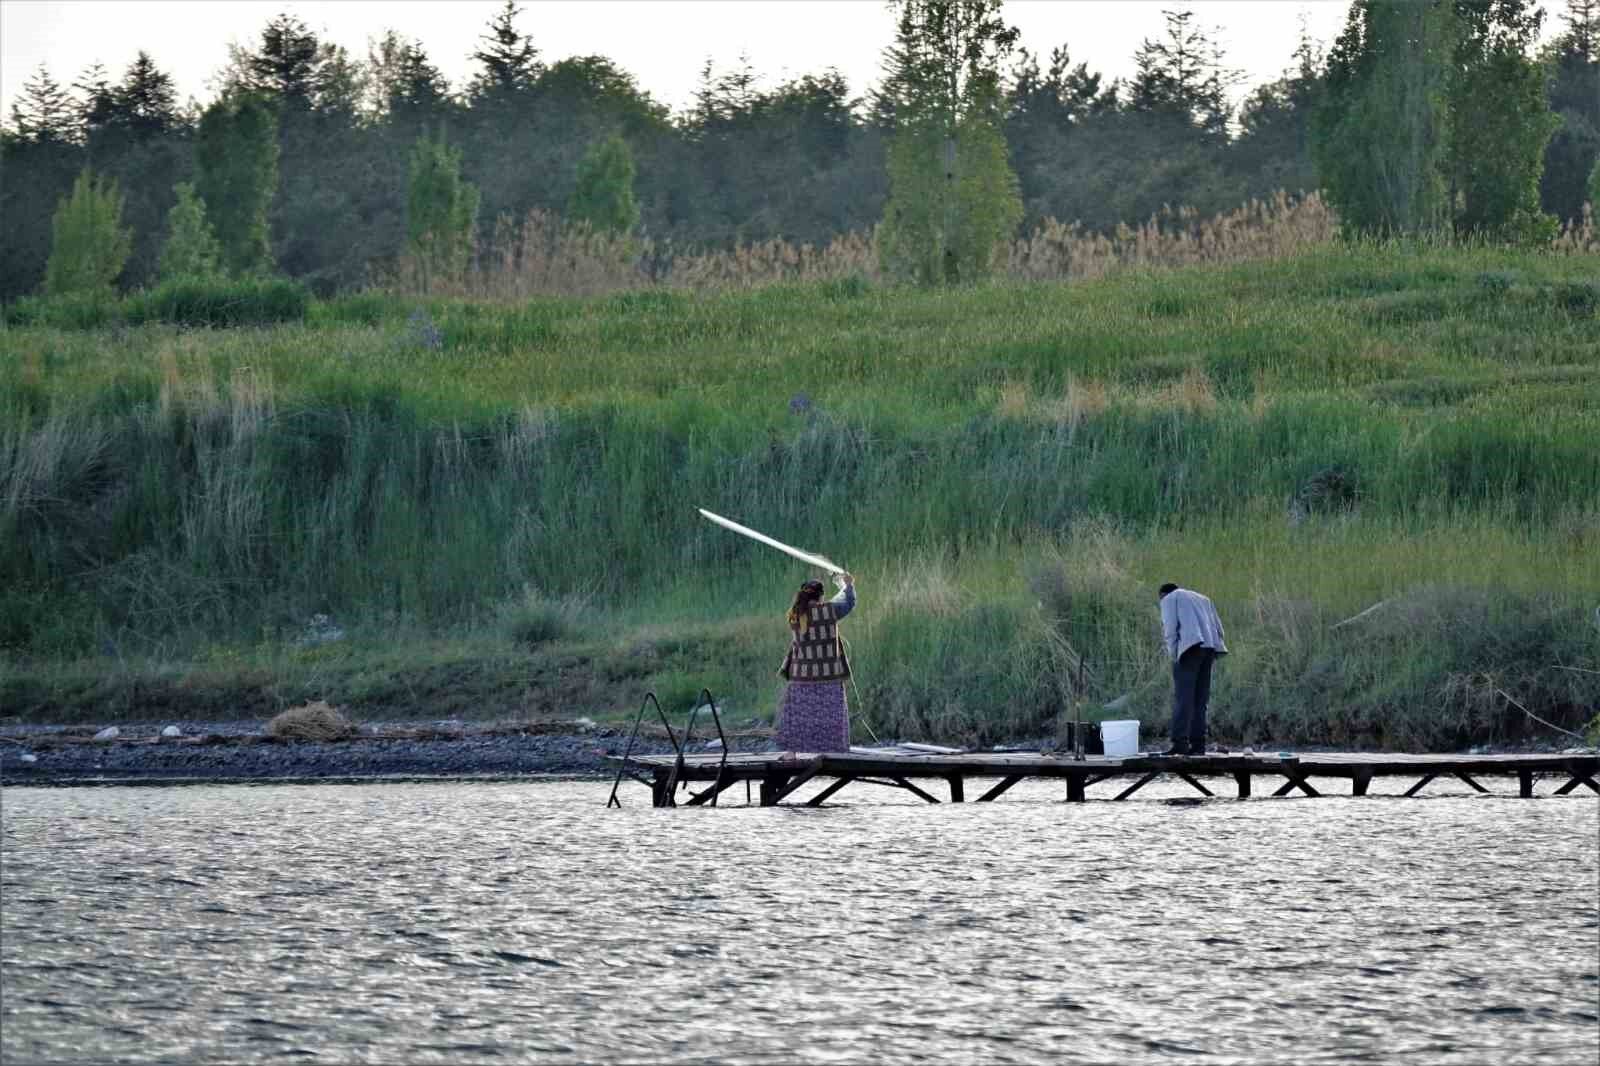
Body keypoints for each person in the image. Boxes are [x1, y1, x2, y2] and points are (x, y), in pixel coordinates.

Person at [775, 571, 856, 753]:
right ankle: (834, 752)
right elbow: (847, 602)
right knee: (831, 719)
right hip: (828, 678)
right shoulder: (828, 610)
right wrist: (848, 585)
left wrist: (843, 586)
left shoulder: (794, 615)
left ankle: (793, 754)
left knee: (798, 720)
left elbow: (832, 604)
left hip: (801, 679)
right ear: (821, 595)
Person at [1157, 582, 1227, 756]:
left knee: (1183, 698)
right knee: (1200, 700)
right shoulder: (1204, 599)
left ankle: (1180, 742)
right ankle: (1198, 745)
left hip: (1190, 649)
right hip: (1209, 648)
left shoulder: (1169, 598)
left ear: (1163, 595)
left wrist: (1175, 656)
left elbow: (1170, 630)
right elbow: (1220, 630)